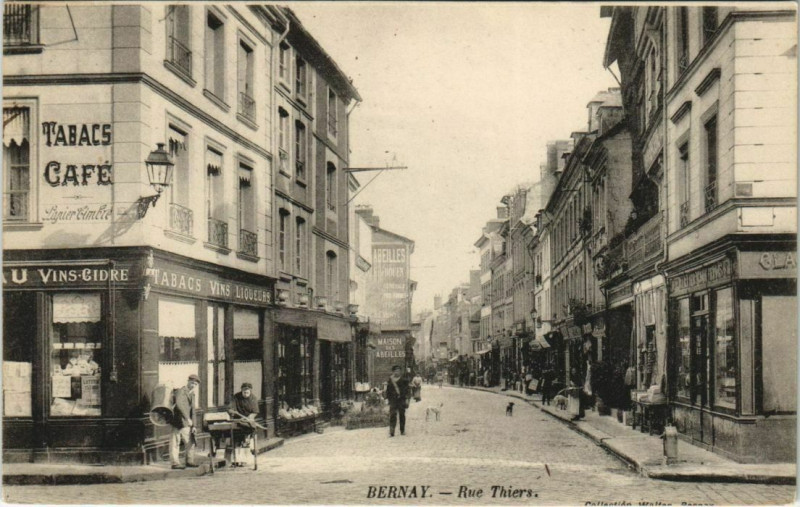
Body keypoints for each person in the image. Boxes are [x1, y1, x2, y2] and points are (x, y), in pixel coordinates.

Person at [170, 374, 200, 469]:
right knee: (175, 442)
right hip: (178, 421)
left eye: (195, 384)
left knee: (190, 442)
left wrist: (194, 425)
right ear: (188, 381)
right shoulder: (181, 391)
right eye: (192, 383)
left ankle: (189, 461)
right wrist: (187, 418)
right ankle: (175, 463)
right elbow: (179, 405)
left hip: (187, 423)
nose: (193, 385)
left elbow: (193, 411)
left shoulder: (192, 394)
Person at [227, 382, 259, 467]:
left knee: (249, 434)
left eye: (247, 392)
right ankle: (236, 459)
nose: (245, 394)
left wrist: (249, 417)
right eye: (244, 392)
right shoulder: (236, 397)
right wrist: (231, 411)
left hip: (248, 421)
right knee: (236, 438)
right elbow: (230, 408)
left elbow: (255, 412)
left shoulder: (253, 398)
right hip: (238, 419)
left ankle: (250, 451)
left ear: (250, 391)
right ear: (241, 390)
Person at [385, 365, 410, 437]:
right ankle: (392, 431)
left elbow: (408, 390)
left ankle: (402, 430)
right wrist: (387, 399)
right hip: (393, 400)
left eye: (398, 371)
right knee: (392, 414)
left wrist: (407, 399)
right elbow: (388, 390)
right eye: (395, 371)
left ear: (400, 372)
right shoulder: (391, 380)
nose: (397, 372)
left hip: (401, 399)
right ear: (393, 372)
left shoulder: (404, 379)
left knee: (402, 415)